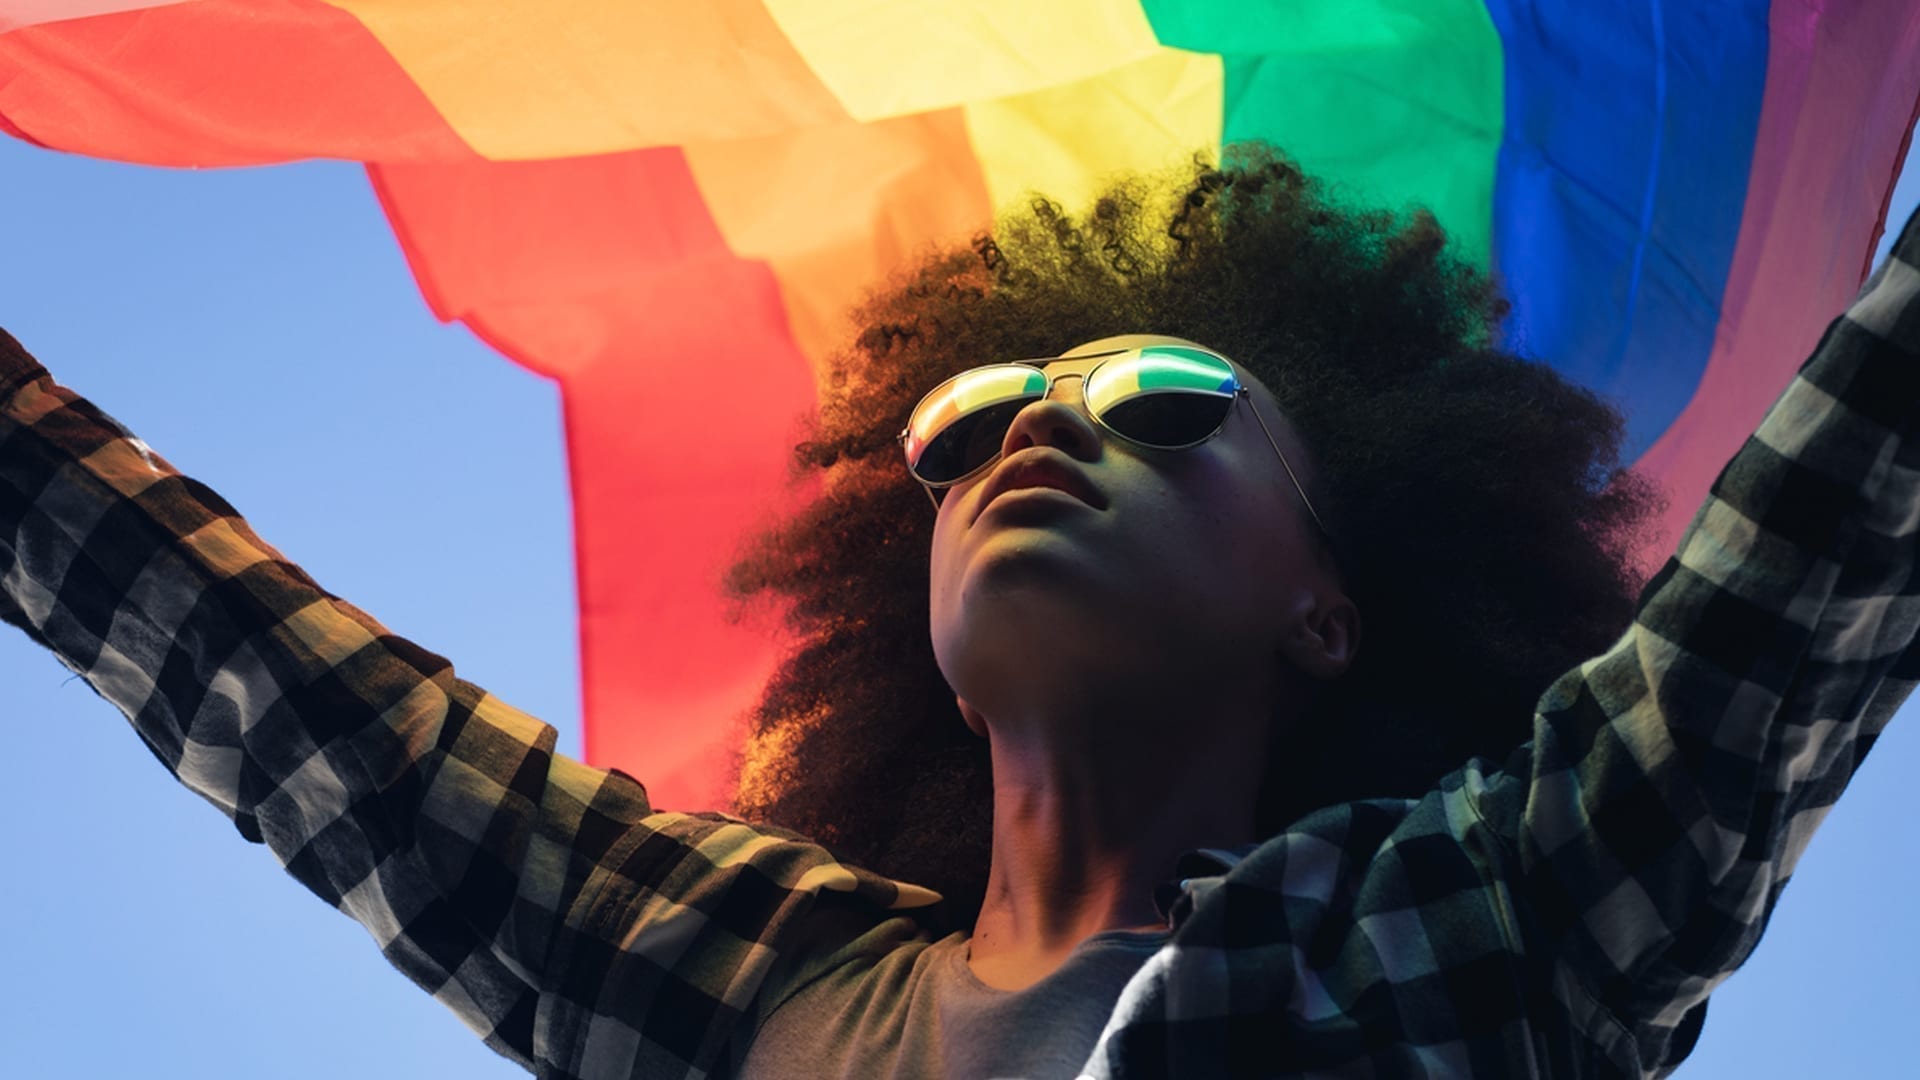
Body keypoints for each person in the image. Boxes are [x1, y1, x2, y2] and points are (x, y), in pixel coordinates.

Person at [2, 146, 1914, 1078]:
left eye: (1166, 399)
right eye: (972, 421)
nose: (1047, 426)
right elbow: (305, 710)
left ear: (1332, 611)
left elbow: (1823, 541)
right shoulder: (748, 981)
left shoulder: (1487, 921)